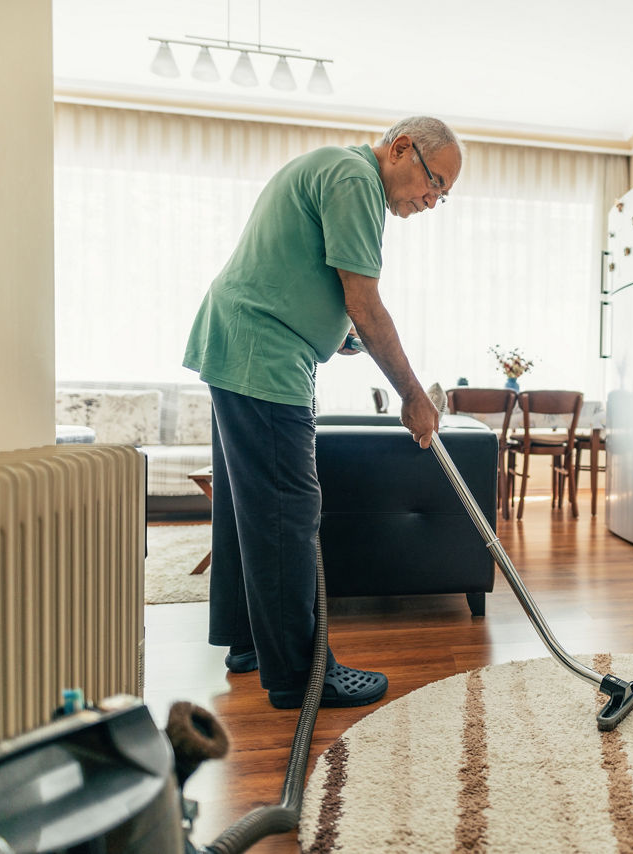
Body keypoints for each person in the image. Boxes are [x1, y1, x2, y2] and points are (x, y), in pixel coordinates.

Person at [183, 116, 461, 709]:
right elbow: (364, 301)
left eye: (443, 194)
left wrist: (335, 334)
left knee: (246, 507)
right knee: (287, 512)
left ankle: (248, 641)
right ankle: (301, 675)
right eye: (434, 182)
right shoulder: (355, 179)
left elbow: (304, 277)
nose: (432, 201)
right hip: (263, 354)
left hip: (239, 342)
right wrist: (414, 396)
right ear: (401, 148)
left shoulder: (335, 169)